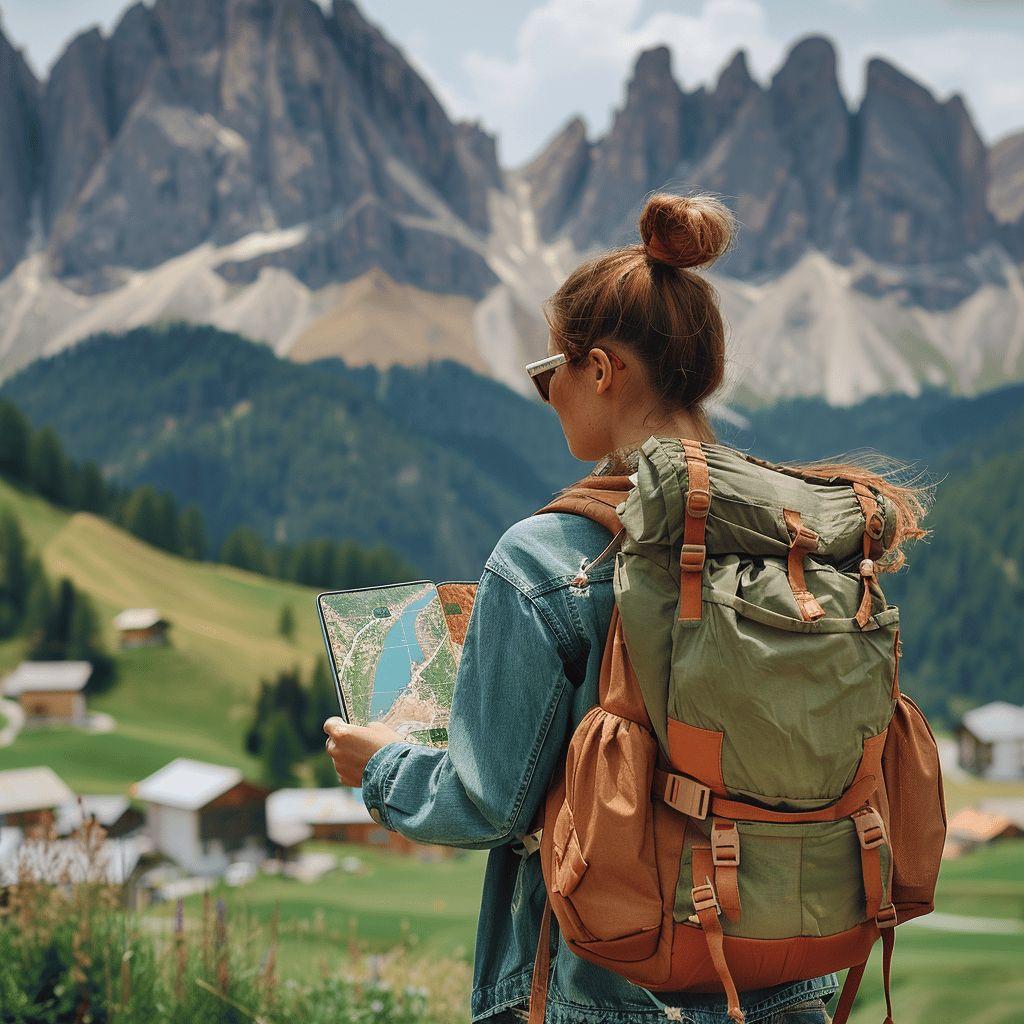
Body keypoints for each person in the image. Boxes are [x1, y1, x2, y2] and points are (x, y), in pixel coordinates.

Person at [325, 192, 927, 1024]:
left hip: (605, 989)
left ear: (601, 369)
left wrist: (382, 766)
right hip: (792, 979)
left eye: (550, 374)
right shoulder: (801, 535)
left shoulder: (543, 559)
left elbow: (487, 801)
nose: (550, 395)